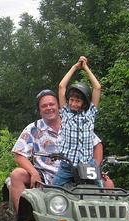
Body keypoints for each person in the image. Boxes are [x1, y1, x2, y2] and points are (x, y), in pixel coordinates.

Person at [10, 89, 109, 213]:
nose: (49, 108)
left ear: (59, 106)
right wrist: (33, 172)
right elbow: (19, 154)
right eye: (44, 106)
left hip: (78, 173)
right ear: (39, 110)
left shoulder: (73, 122)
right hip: (45, 176)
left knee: (108, 183)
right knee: (17, 174)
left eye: (52, 104)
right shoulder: (33, 128)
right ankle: (22, 220)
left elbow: (97, 145)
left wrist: (95, 168)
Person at [52, 56, 101, 186]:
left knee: (100, 192)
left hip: (87, 165)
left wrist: (85, 68)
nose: (73, 103)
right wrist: (75, 67)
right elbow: (62, 86)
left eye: (77, 101)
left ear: (84, 103)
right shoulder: (66, 113)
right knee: (53, 190)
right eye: (71, 100)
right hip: (68, 165)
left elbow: (97, 88)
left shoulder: (90, 114)